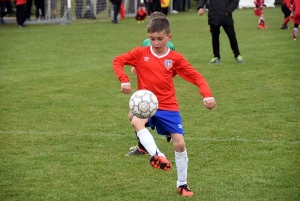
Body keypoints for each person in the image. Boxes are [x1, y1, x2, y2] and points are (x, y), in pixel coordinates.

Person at [113, 17, 216, 197]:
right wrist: (124, 80)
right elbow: (118, 60)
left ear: (169, 37)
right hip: (147, 104)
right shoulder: (140, 53)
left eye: (160, 39)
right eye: (152, 39)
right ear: (148, 37)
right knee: (136, 120)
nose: (156, 43)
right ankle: (157, 154)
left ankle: (182, 184)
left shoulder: (175, 58)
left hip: (168, 105)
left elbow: (196, 77)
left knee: (180, 144)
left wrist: (207, 94)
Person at [126, 12, 175, 157]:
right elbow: (140, 58)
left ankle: (145, 145)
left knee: (137, 116)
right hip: (145, 89)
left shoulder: (170, 46)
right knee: (133, 116)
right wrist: (135, 66)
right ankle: (157, 135)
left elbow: (171, 64)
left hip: (159, 89)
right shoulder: (145, 43)